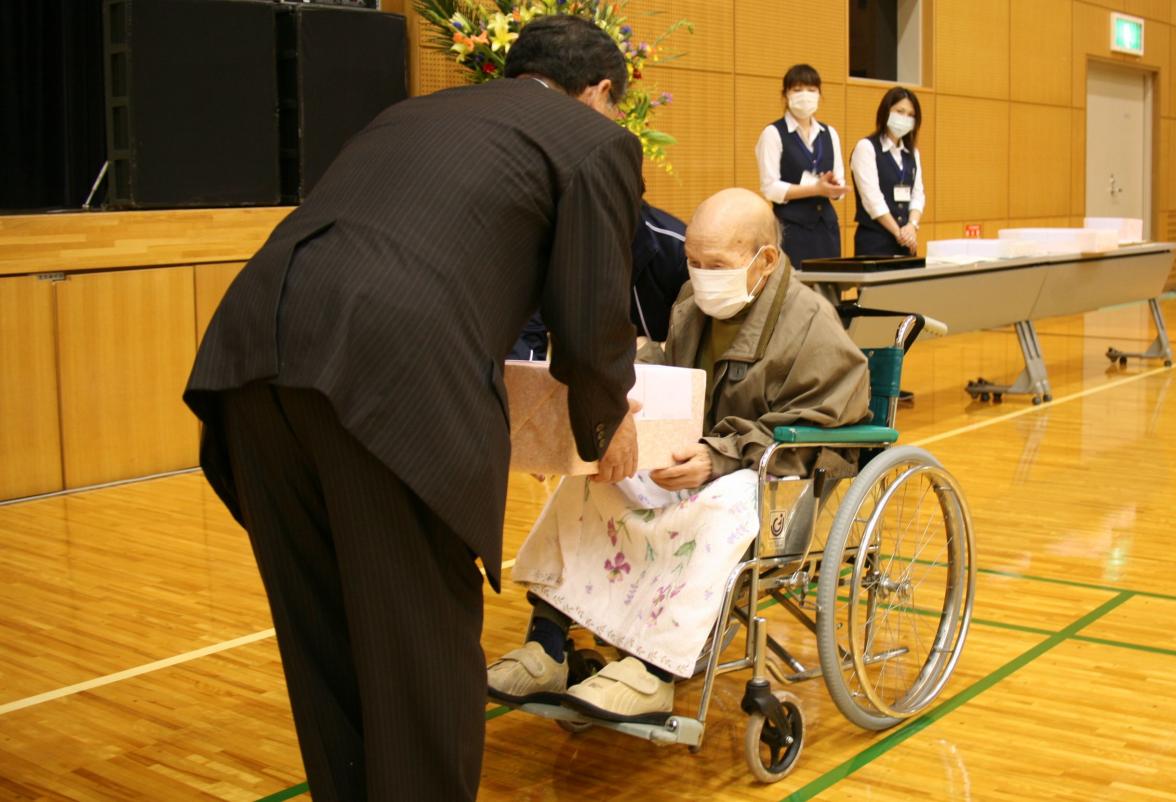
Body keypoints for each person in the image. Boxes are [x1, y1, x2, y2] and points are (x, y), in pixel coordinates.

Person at [182, 16, 644, 801]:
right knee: (419, 663)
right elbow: (590, 313)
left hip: (250, 354)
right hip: (390, 378)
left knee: (326, 647)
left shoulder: (412, 113)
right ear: (601, 91)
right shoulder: (589, 138)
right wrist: (610, 417)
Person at [487, 188, 871, 720]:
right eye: (692, 261)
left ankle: (655, 670)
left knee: (726, 500)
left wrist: (724, 455)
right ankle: (549, 643)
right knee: (599, 472)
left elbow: (830, 428)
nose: (700, 274)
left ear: (765, 260)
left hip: (763, 480)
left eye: (717, 264)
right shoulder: (694, 304)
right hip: (692, 464)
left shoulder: (812, 326)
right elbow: (678, 375)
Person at [507, 201, 687, 359]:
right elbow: (524, 343)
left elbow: (692, 352)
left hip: (659, 382)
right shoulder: (545, 242)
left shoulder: (677, 249)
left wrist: (647, 351)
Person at [755, 63, 846, 269]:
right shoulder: (773, 133)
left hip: (826, 227)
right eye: (797, 90)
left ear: (819, 94)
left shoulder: (829, 133)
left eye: (812, 90)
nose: (805, 95)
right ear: (785, 94)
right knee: (794, 292)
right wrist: (815, 189)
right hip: (791, 229)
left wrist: (834, 188)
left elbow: (839, 183)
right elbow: (770, 188)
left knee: (829, 293)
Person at [850, 86, 926, 257]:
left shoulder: (912, 153)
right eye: (900, 111)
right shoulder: (866, 147)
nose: (905, 118)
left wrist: (912, 226)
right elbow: (872, 200)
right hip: (875, 243)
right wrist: (900, 234)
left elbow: (918, 195)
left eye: (911, 115)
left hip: (906, 242)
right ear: (886, 112)